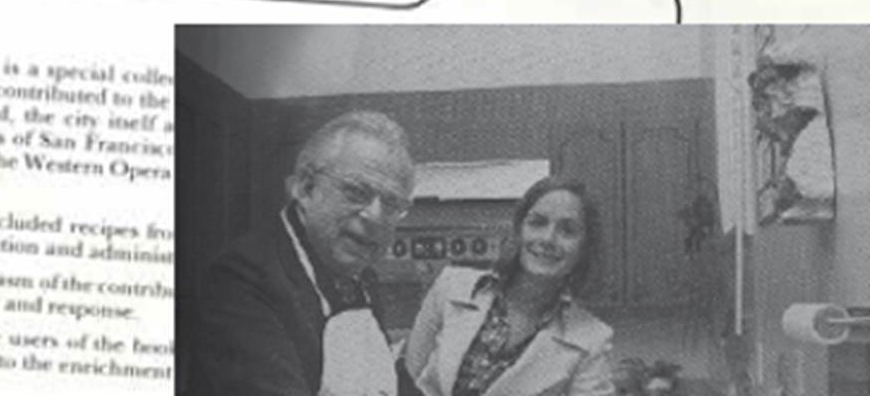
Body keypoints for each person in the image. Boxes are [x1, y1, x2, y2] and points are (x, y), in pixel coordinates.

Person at [194, 110, 419, 396]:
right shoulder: (243, 277)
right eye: (356, 192)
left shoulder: (362, 280)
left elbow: (390, 380)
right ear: (306, 187)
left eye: (391, 203)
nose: (375, 216)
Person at [402, 177, 614, 396]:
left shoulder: (590, 340)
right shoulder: (451, 288)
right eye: (537, 222)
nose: (548, 238)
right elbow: (404, 383)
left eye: (567, 231)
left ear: (584, 250)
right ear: (518, 230)